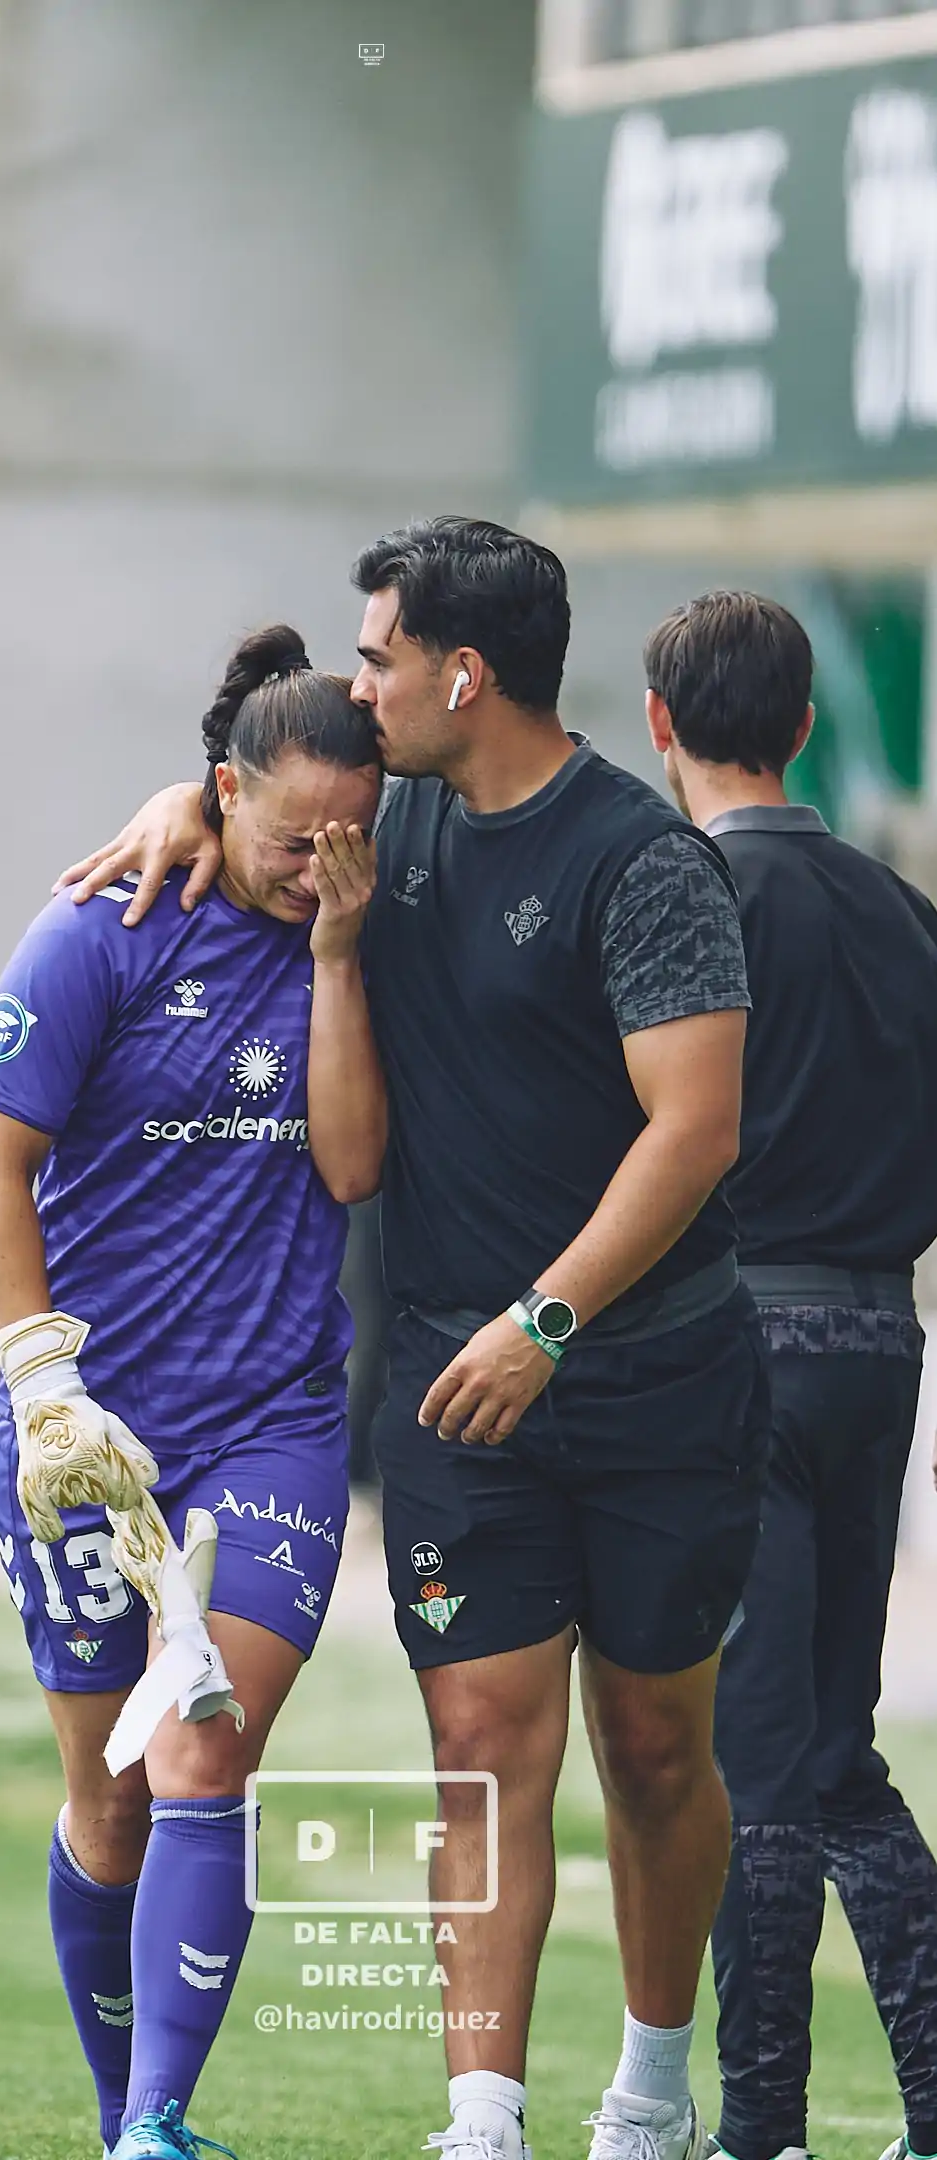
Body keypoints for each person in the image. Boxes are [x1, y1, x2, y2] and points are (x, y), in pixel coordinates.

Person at [55, 516, 772, 2160]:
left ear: (463, 672)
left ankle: (651, 2095)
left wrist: (549, 1320)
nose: (356, 683)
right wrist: (189, 798)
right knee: (477, 1742)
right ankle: (482, 2120)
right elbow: (259, 816)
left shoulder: (642, 862)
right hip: (458, 1388)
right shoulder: (387, 831)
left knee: (658, 1751)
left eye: (376, 656)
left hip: (651, 1375)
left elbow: (694, 1130)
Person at [0, 625, 383, 2160]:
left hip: (271, 1418)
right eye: (287, 839)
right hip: (86, 1431)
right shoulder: (104, 925)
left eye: (346, 839)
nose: (313, 866)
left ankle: (158, 2124)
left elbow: (350, 1168)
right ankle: (112, 2109)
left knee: (199, 1740)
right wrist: (40, 1378)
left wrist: (336, 952)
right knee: (111, 1802)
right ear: (219, 795)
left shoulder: (361, 927)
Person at [643, 590, 937, 2160]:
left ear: (658, 724)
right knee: (831, 1753)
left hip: (728, 1351)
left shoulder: (679, 901)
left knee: (748, 1763)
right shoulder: (905, 917)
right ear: (807, 725)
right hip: (878, 1343)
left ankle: (757, 2130)